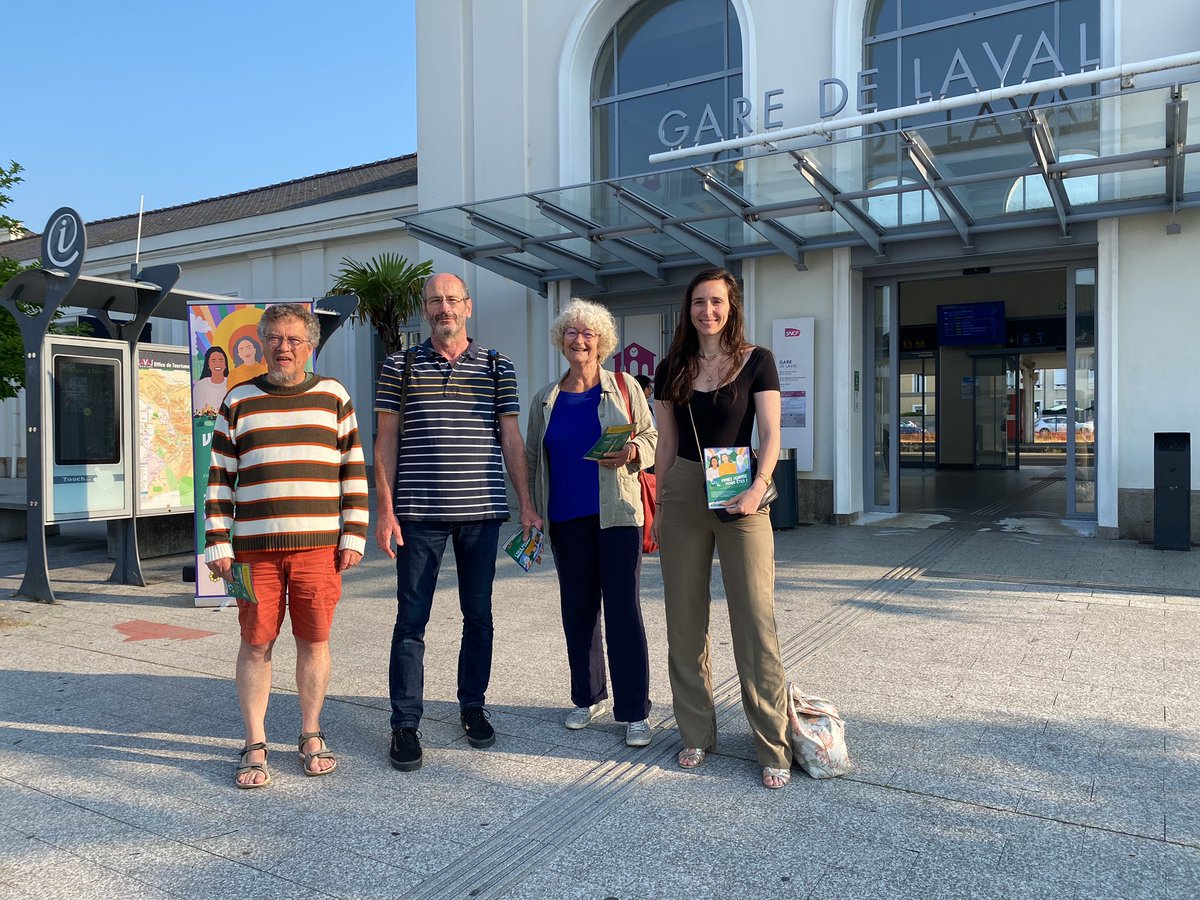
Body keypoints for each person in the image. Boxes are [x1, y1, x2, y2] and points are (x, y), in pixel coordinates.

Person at [374, 272, 541, 772]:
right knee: (411, 621)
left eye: (452, 300)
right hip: (417, 514)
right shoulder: (398, 365)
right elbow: (385, 440)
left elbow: (512, 439)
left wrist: (526, 503)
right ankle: (404, 724)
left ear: (468, 307)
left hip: (483, 510)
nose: (443, 308)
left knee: (479, 615)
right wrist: (385, 509)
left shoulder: (497, 366)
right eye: (434, 302)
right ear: (425, 310)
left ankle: (472, 707)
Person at [204, 303, 368, 789]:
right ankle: (255, 742)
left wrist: (353, 534)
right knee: (255, 643)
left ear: (310, 344)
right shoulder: (238, 400)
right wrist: (217, 543)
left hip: (318, 550)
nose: (283, 347)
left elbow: (352, 472)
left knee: (314, 640)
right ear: (261, 342)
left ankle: (310, 733)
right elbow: (219, 480)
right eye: (274, 337)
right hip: (254, 552)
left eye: (294, 339)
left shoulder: (333, 396)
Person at [652, 268, 792, 790]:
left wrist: (758, 486)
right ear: (687, 310)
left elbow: (774, 433)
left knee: (755, 622)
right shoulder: (670, 368)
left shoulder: (758, 361)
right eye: (697, 303)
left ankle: (772, 744)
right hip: (687, 488)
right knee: (685, 622)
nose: (706, 311)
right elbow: (666, 444)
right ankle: (695, 732)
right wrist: (659, 504)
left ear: (730, 307)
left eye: (715, 302)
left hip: (742, 492)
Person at [525, 299, 658, 747]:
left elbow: (652, 436)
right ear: (560, 339)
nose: (579, 340)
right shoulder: (546, 398)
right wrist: (532, 511)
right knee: (578, 613)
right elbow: (530, 459)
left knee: (623, 611)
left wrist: (634, 451)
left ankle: (635, 711)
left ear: (602, 342)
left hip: (618, 516)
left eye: (588, 333)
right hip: (566, 519)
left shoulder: (623, 387)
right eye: (571, 332)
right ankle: (586, 697)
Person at [193, 345, 229, 415]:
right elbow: (196, 412)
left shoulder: (232, 384)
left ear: (225, 365)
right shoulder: (200, 385)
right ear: (208, 365)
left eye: (221, 360)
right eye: (213, 361)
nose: (217, 364)